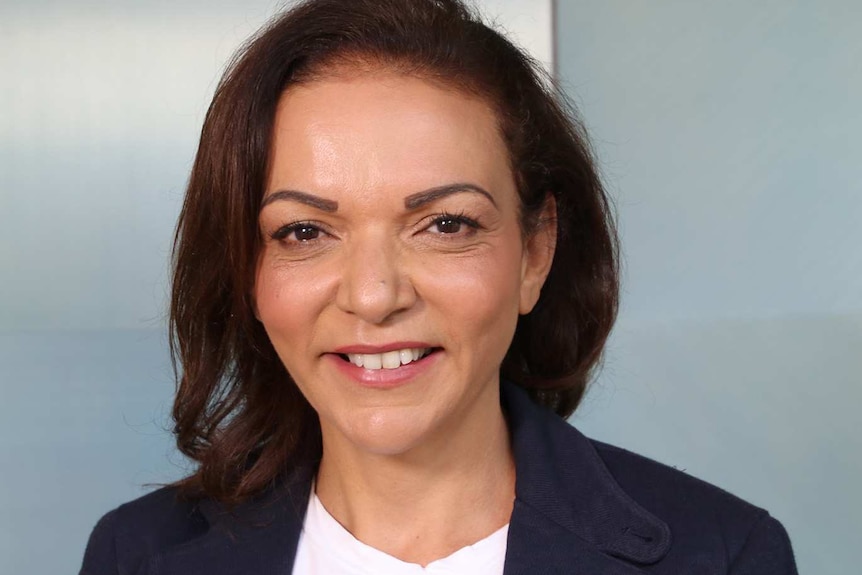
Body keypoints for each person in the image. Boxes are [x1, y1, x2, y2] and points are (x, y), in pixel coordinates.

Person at [80, 0, 798, 573]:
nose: (373, 294)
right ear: (247, 269)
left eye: (445, 223)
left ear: (535, 250)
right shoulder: (134, 555)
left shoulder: (724, 555)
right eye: (303, 231)